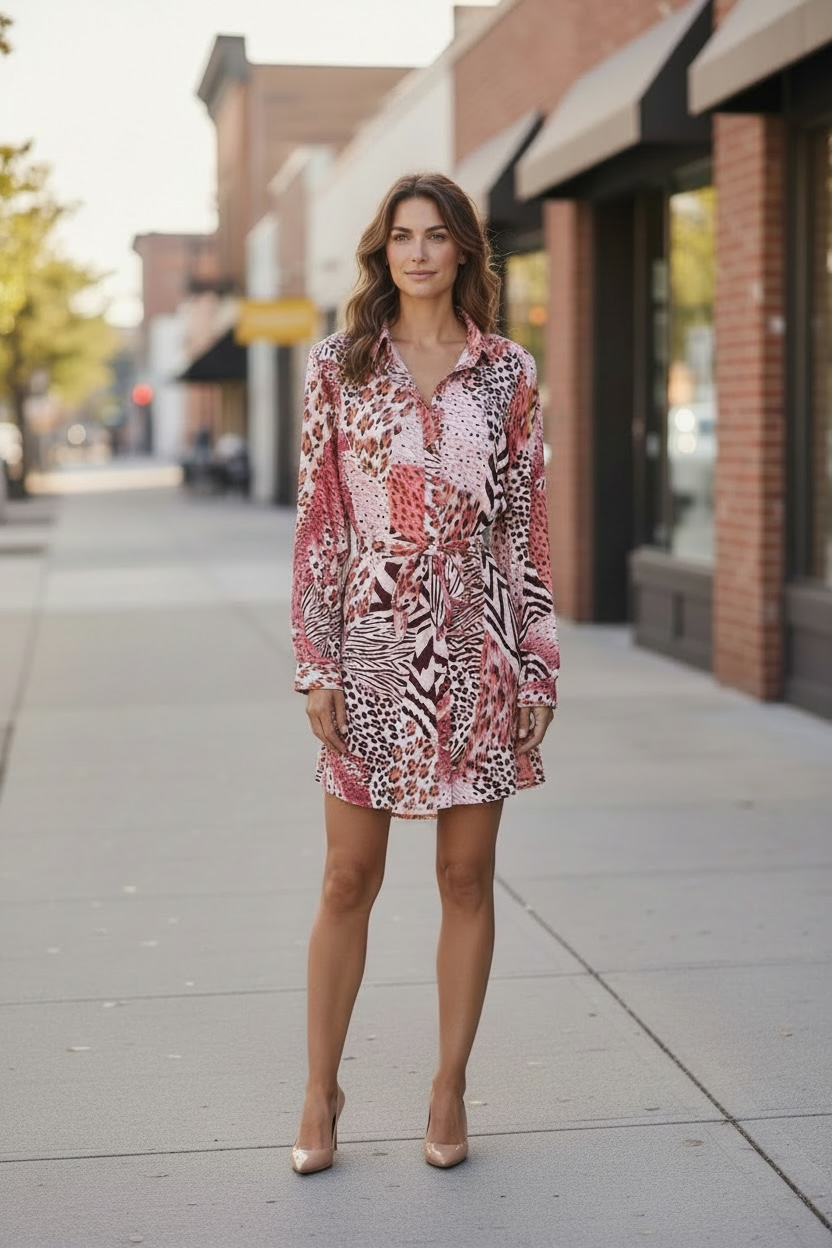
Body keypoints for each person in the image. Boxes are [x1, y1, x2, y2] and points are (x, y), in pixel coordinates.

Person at [290, 172, 559, 1174]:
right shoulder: (338, 368)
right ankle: (320, 1092)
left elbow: (524, 534)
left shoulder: (509, 375)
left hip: (478, 646)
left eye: (435, 235)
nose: (416, 252)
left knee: (463, 876)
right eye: (400, 235)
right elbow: (320, 527)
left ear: (462, 252)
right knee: (346, 877)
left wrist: (538, 666)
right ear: (383, 251)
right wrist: (312, 657)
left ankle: (447, 1087)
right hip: (367, 646)